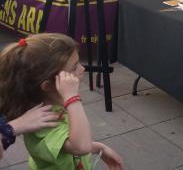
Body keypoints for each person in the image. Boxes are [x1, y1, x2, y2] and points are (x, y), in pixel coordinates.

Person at [0, 33, 123, 169]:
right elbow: (80, 146)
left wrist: (100, 148)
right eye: (74, 67)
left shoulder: (53, 106)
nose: (82, 69)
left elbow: (69, 144)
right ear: (48, 86)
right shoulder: (44, 122)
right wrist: (72, 98)